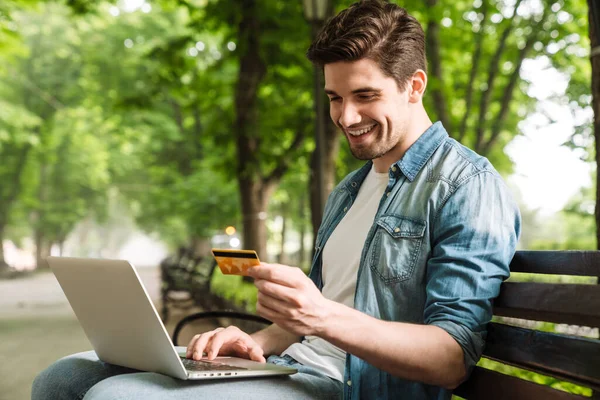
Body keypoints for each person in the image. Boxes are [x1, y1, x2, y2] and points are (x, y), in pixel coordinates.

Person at [32, 1, 520, 399]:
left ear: (414, 87)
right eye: (334, 97)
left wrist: (322, 317)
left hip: (350, 387)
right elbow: (315, 312)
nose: (346, 117)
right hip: (291, 367)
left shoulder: (467, 185)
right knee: (62, 379)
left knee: (116, 397)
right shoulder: (352, 188)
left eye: (365, 96)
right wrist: (255, 340)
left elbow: (452, 358)